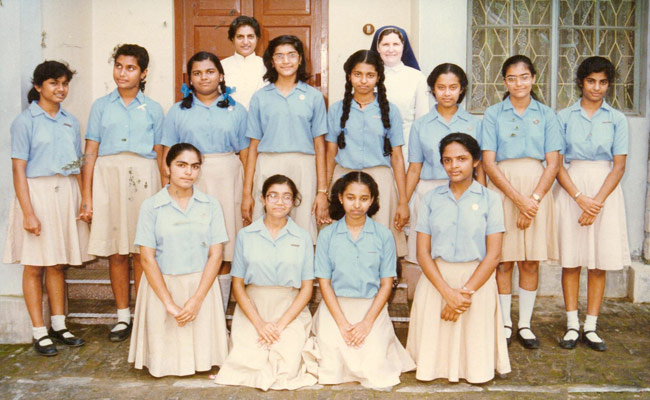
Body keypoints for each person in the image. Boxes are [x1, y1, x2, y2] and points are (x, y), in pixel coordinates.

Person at [3, 61, 91, 356]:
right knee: (35, 265)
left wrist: (84, 199)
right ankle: (39, 332)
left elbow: (77, 164)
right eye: (54, 83)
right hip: (36, 194)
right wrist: (28, 212)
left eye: (64, 83)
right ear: (39, 86)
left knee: (57, 263)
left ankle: (59, 325)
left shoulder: (70, 121)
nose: (61, 89)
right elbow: (18, 169)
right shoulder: (25, 121)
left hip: (65, 192)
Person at [406, 133, 510, 383]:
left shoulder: (491, 199)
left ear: (475, 161)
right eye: (448, 160)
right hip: (437, 282)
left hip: (476, 283)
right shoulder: (430, 199)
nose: (454, 166)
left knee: (474, 355)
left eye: (461, 159)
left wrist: (464, 294)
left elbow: (494, 255)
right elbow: (422, 253)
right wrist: (447, 293)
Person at [80, 44, 164, 342]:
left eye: (130, 68)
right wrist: (87, 195)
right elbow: (90, 152)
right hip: (109, 177)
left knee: (142, 250)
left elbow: (161, 154)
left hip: (144, 177)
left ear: (143, 73)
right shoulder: (101, 106)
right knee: (117, 251)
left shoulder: (153, 108)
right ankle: (123, 316)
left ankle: (143, 314)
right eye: (118, 66)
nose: (123, 73)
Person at [481, 55, 562, 349]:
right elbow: (488, 162)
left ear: (533, 78)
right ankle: (504, 322)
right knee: (503, 260)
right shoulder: (493, 114)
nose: (519, 83)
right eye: (512, 78)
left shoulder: (547, 114)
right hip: (503, 189)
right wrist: (518, 200)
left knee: (529, 261)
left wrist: (533, 200)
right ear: (504, 81)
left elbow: (553, 163)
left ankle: (525, 324)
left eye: (524, 77)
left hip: (537, 190)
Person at [128, 143, 229, 377]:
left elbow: (216, 255)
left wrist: (196, 300)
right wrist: (169, 304)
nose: (188, 172)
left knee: (204, 360)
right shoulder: (151, 206)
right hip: (162, 289)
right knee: (164, 363)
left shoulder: (211, 205)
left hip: (201, 287)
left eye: (195, 166)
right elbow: (146, 258)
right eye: (181, 165)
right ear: (167, 168)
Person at [162, 51, 248, 313]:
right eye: (197, 73)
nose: (204, 78)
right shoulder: (177, 111)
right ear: (190, 78)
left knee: (225, 247)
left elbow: (246, 153)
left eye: (210, 72)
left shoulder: (237, 110)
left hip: (228, 178)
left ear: (220, 75)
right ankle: (194, 308)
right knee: (195, 244)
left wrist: (248, 191)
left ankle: (218, 312)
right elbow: (167, 153)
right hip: (190, 180)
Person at [554, 56, 631, 352]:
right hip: (573, 189)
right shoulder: (564, 117)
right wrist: (579, 198)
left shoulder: (617, 119)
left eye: (602, 82)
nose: (596, 87)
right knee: (572, 260)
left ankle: (591, 326)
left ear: (608, 85)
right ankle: (572, 324)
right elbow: (556, 163)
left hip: (605, 192)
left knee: (599, 263)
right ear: (580, 83)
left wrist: (596, 203)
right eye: (591, 81)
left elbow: (619, 166)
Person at [312, 171, 415, 389]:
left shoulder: (383, 235)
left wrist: (367, 324)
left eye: (364, 198)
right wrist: (342, 324)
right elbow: (324, 283)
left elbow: (386, 284)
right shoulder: (327, 235)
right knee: (331, 369)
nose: (357, 205)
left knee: (375, 369)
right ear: (341, 198)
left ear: (372, 200)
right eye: (351, 197)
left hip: (371, 308)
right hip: (335, 309)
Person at [216, 174, 317, 390]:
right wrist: (260, 324)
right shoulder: (246, 235)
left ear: (294, 201)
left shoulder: (303, 237)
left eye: (286, 197)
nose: (280, 202)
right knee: (247, 365)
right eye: (273, 196)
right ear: (262, 199)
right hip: (253, 309)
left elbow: (307, 289)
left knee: (286, 368)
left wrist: (280, 325)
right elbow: (237, 285)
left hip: (290, 309)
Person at [242, 35, 329, 239]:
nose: (286, 61)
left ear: (300, 59)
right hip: (268, 164)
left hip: (304, 167)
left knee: (303, 229)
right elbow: (253, 146)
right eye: (279, 56)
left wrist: (322, 191)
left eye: (291, 55)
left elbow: (320, 146)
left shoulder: (314, 97)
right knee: (265, 230)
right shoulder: (260, 97)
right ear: (272, 61)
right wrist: (247, 192)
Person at [326, 49, 408, 256]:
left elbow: (397, 157)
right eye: (358, 74)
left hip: (380, 180)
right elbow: (330, 153)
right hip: (344, 177)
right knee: (343, 244)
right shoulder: (336, 110)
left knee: (379, 245)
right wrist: (324, 191)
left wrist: (403, 200)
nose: (363, 81)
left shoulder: (390, 110)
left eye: (370, 75)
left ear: (378, 77)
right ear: (349, 76)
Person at [404, 63, 484, 264]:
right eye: (441, 87)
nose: (447, 93)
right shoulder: (421, 125)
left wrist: (482, 197)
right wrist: (403, 202)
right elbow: (414, 168)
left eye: (453, 87)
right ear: (432, 89)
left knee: (462, 253)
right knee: (426, 254)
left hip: (465, 193)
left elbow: (480, 167)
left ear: (462, 89)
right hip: (429, 191)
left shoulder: (474, 124)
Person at [370, 25, 430, 164]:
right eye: (385, 44)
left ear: (404, 46)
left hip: (406, 144)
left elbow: (422, 119)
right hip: (373, 144)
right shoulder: (369, 75)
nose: (391, 49)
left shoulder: (417, 77)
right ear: (378, 47)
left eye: (396, 44)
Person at [221, 16, 267, 110]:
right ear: (232, 39)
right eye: (240, 37)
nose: (245, 42)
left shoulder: (267, 66)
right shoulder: (221, 66)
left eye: (250, 37)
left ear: (257, 38)